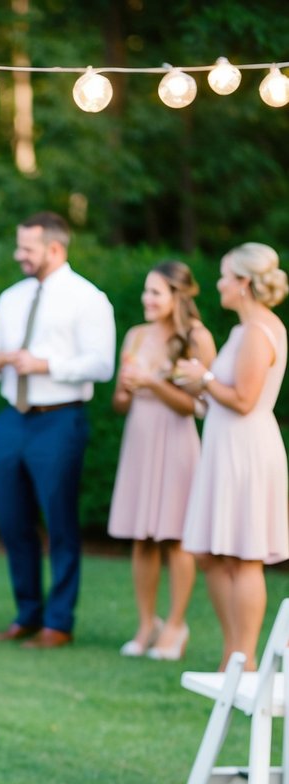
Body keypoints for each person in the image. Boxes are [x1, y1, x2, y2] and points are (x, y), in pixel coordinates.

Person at [0, 212, 116, 649]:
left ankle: (59, 622)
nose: (19, 255)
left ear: (54, 250)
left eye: (28, 249)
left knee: (59, 521)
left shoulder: (87, 299)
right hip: (12, 418)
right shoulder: (11, 298)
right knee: (12, 520)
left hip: (60, 417)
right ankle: (27, 615)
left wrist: (45, 364)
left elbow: (102, 363)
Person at [176, 242, 289, 671]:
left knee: (244, 555)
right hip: (224, 448)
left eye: (225, 276)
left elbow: (243, 399)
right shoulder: (243, 331)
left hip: (247, 451)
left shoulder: (261, 332)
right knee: (210, 553)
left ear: (243, 283)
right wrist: (200, 386)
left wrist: (201, 378)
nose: (218, 284)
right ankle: (234, 654)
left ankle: (244, 659)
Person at [107, 262, 216, 660]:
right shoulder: (135, 336)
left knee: (176, 536)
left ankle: (175, 625)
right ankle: (145, 622)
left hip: (176, 439)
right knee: (142, 537)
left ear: (177, 296)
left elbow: (199, 406)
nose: (146, 299)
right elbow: (120, 403)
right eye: (146, 291)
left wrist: (154, 383)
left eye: (155, 292)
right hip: (140, 437)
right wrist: (126, 388)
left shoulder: (196, 338)